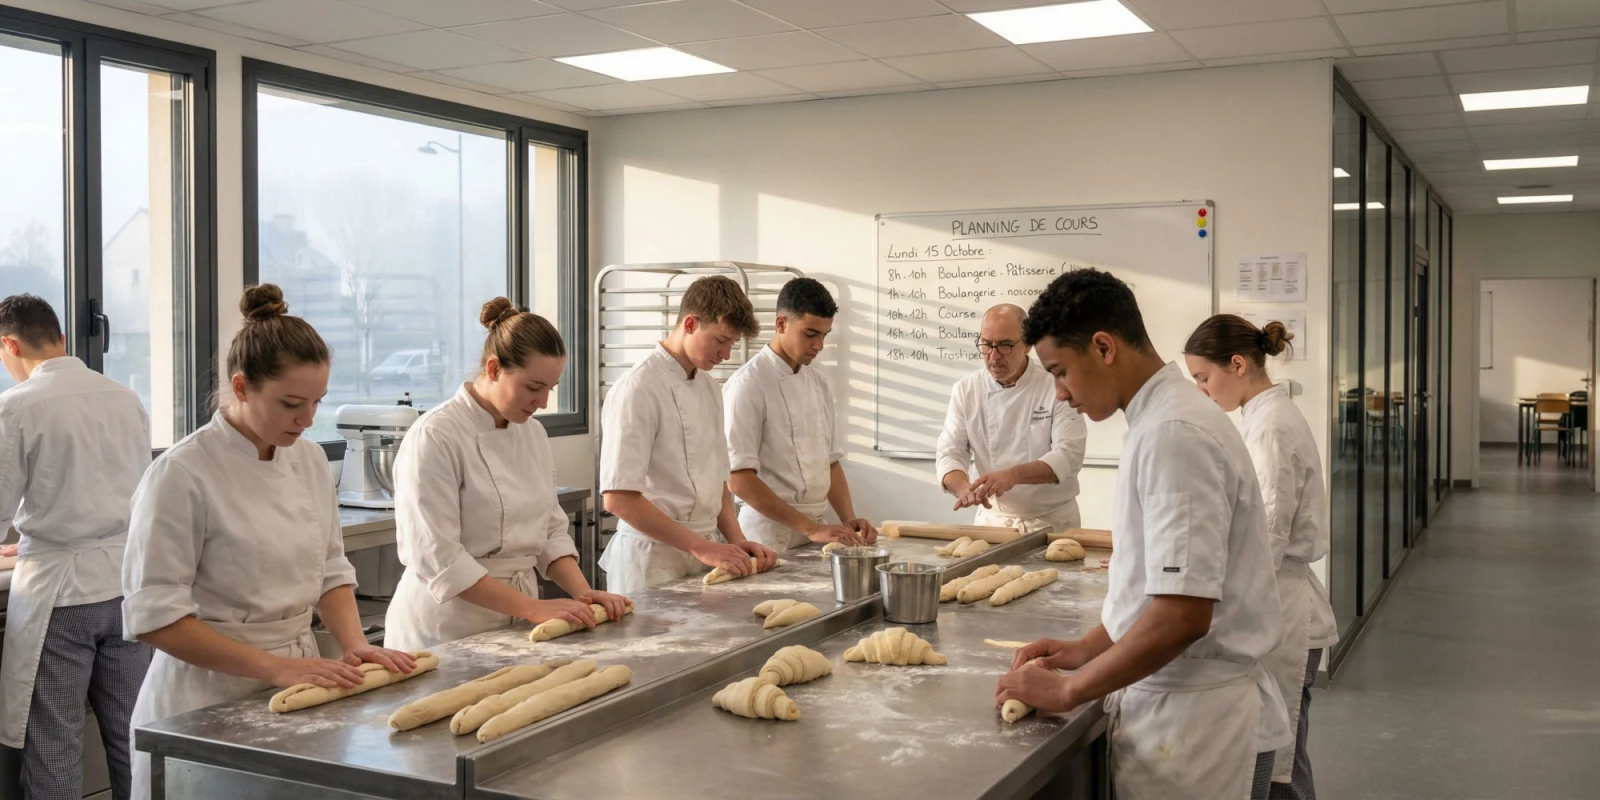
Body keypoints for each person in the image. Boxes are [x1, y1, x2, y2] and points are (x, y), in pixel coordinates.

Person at [994, 269, 1289, 800]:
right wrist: (1085, 648)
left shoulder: (1174, 434)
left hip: (1195, 733)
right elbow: (1155, 591)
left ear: (1103, 347)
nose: (1059, 395)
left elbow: (1182, 615)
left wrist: (1066, 690)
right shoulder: (1162, 419)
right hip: (1179, 712)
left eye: (1060, 372)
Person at [122, 286, 415, 800]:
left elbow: (331, 568)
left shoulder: (305, 460)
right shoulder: (181, 474)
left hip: (302, 688)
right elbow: (156, 618)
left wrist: (356, 646)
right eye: (290, 404)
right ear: (241, 386)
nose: (306, 421)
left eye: (316, 403)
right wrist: (277, 666)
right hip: (203, 699)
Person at [385, 298, 629, 652]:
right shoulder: (435, 436)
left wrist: (582, 590)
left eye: (550, 388)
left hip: (519, 617)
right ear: (495, 368)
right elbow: (438, 557)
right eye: (533, 387)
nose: (543, 402)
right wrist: (531, 607)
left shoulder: (531, 433)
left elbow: (548, 528)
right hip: (446, 626)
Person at [0, 294, 152, 800]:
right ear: (62, 339)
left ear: (9, 344)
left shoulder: (17, 405)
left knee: (55, 744)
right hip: (127, 589)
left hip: (60, 597)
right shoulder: (123, 397)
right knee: (134, 738)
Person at [1184, 315, 1336, 800]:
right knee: (1278, 759)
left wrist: (1217, 603)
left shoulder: (1270, 427)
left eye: (1204, 379)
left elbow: (1266, 536)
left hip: (1282, 609)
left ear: (1237, 364)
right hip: (1279, 598)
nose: (1204, 392)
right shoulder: (1262, 416)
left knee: (1277, 766)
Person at [599, 276, 778, 594]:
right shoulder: (637, 388)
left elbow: (718, 483)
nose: (725, 354)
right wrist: (701, 547)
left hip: (703, 554)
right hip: (650, 559)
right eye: (720, 340)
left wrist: (737, 542)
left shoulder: (710, 388)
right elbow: (619, 499)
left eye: (731, 344)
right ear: (691, 323)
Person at [724, 278, 875, 551]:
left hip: (817, 530)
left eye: (824, 336)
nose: (818, 345)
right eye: (810, 334)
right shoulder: (747, 385)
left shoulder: (818, 383)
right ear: (781, 324)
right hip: (767, 533)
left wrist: (849, 520)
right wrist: (810, 528)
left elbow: (830, 462)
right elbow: (738, 479)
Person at [935, 303, 1087, 533]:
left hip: (1053, 524)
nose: (994, 356)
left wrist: (1013, 475)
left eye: (1005, 345)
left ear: (1027, 343)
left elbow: (1069, 454)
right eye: (986, 344)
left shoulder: (1055, 384)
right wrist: (963, 488)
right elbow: (950, 453)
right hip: (993, 523)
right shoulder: (966, 391)